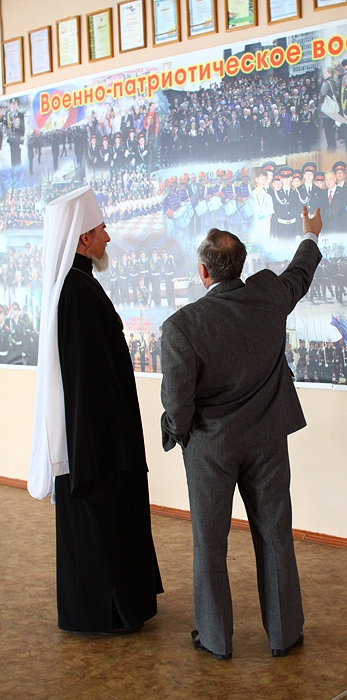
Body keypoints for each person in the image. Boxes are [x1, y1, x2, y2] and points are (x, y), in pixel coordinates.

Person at [160, 206, 323, 660]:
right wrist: (310, 234)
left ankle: (215, 639)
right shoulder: (268, 294)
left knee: (210, 544)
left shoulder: (181, 327)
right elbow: (300, 274)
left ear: (203, 271)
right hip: (268, 440)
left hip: (211, 447)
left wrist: (178, 433)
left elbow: (177, 404)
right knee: (275, 535)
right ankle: (284, 635)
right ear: (242, 265)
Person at [28, 186, 163, 635]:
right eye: (102, 229)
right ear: (83, 238)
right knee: (104, 528)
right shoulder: (76, 292)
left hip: (103, 440)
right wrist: (97, 455)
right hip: (99, 446)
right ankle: (109, 614)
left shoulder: (79, 286)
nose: (108, 237)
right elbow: (86, 384)